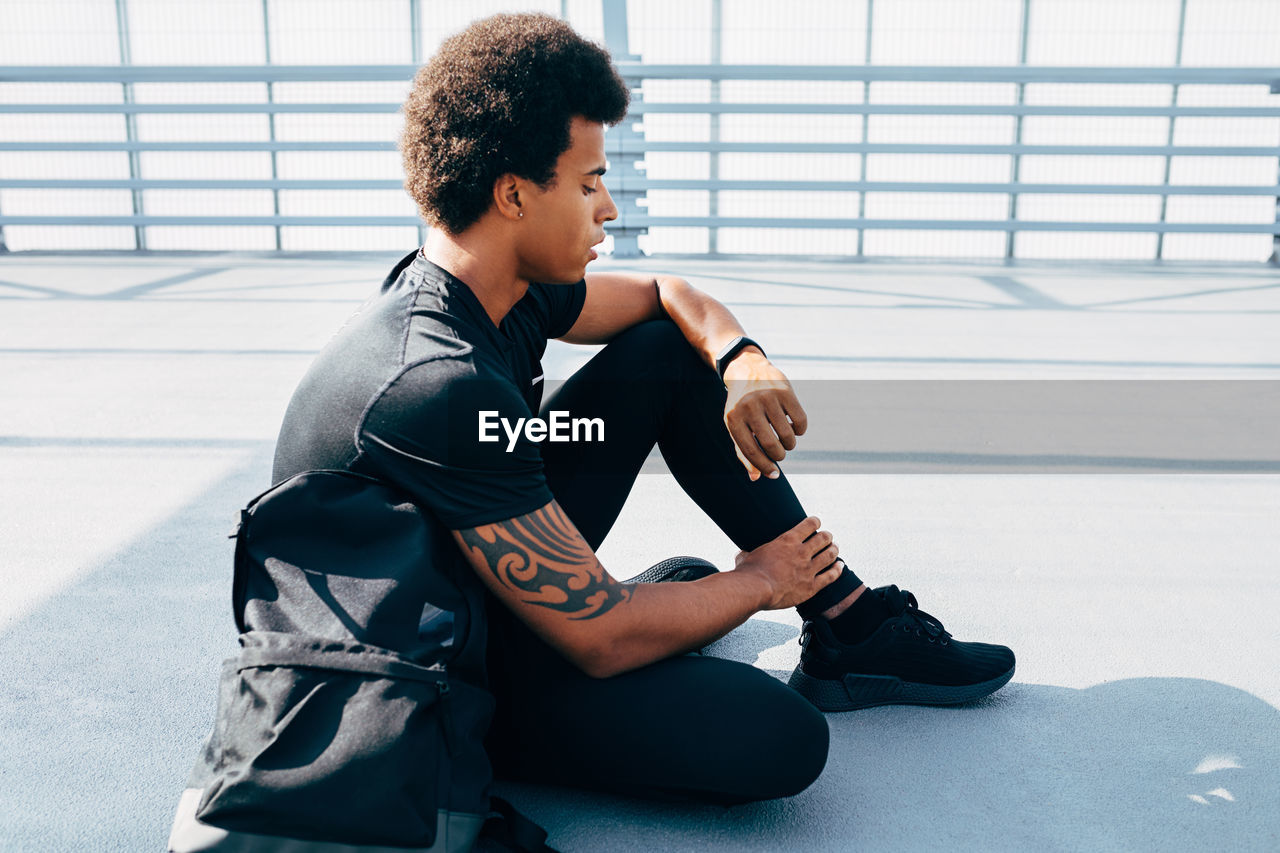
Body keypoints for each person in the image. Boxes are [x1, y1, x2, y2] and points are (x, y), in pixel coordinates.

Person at [271, 12, 1014, 807]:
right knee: (780, 737)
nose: (610, 208)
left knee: (666, 353)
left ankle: (849, 626)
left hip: (469, 582)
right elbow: (602, 638)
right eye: (589, 182)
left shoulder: (489, 287)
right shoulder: (434, 381)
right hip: (436, 675)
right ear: (514, 194)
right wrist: (764, 581)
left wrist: (741, 358)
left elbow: (668, 296)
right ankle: (624, 613)